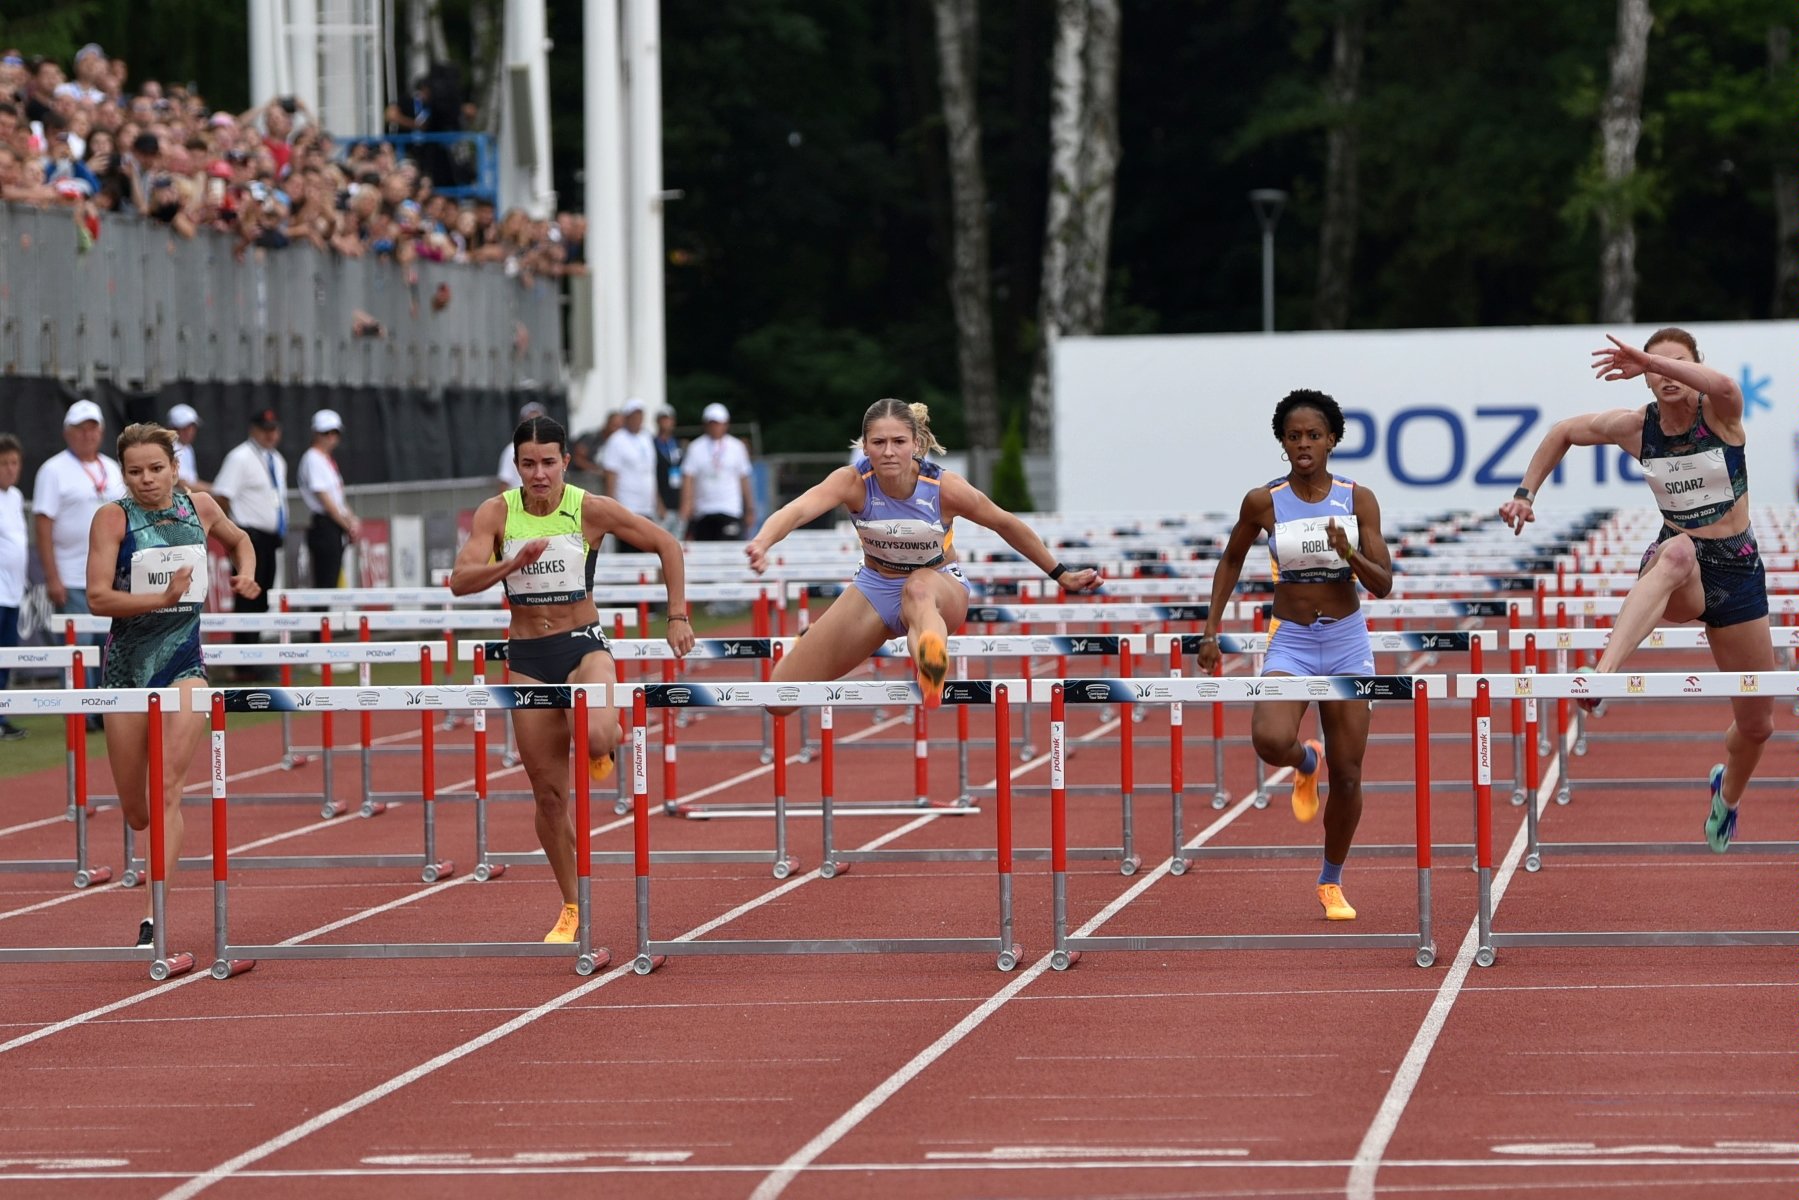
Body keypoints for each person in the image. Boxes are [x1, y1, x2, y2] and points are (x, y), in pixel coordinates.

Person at [1500, 327, 1771, 854]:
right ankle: (1600, 676)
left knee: (1758, 725)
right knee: (1677, 551)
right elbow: (1562, 432)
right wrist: (1524, 492)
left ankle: (1727, 795)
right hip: (1679, 572)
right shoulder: (1634, 428)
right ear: (1645, 379)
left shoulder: (1721, 412)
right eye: (1657, 366)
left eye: (1677, 364)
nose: (1667, 373)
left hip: (1737, 573)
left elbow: (1722, 382)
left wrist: (1653, 358)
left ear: (1691, 372)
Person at [449, 414, 692, 943]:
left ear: (565, 461)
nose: (539, 474)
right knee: (550, 797)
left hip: (583, 648)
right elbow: (460, 581)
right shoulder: (497, 513)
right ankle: (572, 904)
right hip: (527, 657)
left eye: (549, 463)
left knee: (601, 734)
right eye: (528, 464)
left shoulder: (589, 508)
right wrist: (509, 563)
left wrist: (677, 616)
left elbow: (668, 545)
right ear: (516, 466)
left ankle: (600, 741)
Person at [746, 399, 1101, 710]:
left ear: (915, 444)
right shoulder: (852, 481)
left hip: (939, 585)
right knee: (781, 697)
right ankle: (912, 652)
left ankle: (930, 666)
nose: (888, 451)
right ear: (865, 447)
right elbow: (797, 510)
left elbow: (1006, 524)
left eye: (898, 442)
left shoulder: (944, 488)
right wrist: (763, 542)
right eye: (879, 442)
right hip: (875, 586)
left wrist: (1060, 573)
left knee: (917, 589)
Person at [1197, 389, 1394, 922]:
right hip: (1294, 639)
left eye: (1314, 435)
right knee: (1269, 739)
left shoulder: (1358, 499)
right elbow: (1231, 560)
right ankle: (1304, 761)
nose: (1304, 444)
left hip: (1348, 639)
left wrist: (1348, 552)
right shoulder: (1263, 501)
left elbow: (1384, 585)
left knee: (1349, 774)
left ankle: (1331, 880)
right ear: (1282, 443)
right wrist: (1211, 629)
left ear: (1333, 440)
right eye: (1294, 436)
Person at [87, 422, 258, 945]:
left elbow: (241, 537)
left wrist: (246, 572)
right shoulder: (112, 518)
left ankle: (152, 913)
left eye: (156, 469)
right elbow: (97, 598)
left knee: (168, 789)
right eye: (135, 471)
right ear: (123, 473)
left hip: (185, 664)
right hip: (126, 671)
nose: (146, 480)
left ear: (175, 468)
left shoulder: (200, 507)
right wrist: (159, 600)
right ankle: (146, 855)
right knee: (137, 812)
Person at [33, 399, 125, 713]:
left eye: (92, 428)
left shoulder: (112, 469)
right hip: (71, 576)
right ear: (67, 433)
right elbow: (43, 524)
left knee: (107, 646)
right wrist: (52, 576)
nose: (87, 434)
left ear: (100, 432)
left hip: (110, 577)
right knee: (77, 648)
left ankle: (105, 711)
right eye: (80, 429)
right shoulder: (54, 470)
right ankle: (79, 712)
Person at [211, 409, 287, 661]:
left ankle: (255, 656)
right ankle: (243, 660)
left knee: (261, 598)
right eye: (265, 429)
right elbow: (222, 495)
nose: (270, 435)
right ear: (253, 430)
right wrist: (229, 532)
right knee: (247, 598)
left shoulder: (276, 460)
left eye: (274, 429)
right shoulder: (240, 458)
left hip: (268, 538)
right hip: (248, 537)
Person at [297, 409, 359, 588]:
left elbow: (338, 499)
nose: (331, 437)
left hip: (334, 525)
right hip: (325, 525)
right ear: (316, 433)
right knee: (325, 583)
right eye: (326, 433)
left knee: (332, 581)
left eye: (335, 433)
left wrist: (351, 519)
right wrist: (347, 525)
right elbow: (326, 501)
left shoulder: (326, 460)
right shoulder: (313, 459)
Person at [680, 402, 756, 541]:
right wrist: (686, 504)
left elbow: (744, 479)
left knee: (731, 551)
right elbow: (688, 477)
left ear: (726, 424)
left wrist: (750, 509)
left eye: (718, 423)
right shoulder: (696, 447)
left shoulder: (737, 447)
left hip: (730, 509)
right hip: (703, 511)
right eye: (712, 423)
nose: (715, 427)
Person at [0, 433, 28, 740]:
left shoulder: (17, 497)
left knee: (6, 657)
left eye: (14, 462)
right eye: (4, 463)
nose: (11, 469)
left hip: (12, 594)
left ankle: (2, 716)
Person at [599, 398, 661, 531]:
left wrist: (657, 501)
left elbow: (650, 472)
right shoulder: (616, 440)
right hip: (627, 506)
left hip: (647, 506)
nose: (637, 419)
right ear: (626, 417)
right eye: (634, 415)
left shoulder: (646, 437)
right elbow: (610, 475)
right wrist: (611, 508)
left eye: (640, 415)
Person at [496, 399, 548, 492]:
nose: (535, 425)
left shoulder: (550, 449)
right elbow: (504, 485)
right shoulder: (512, 450)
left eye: (539, 421)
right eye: (530, 421)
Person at [165, 403, 211, 493]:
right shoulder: (169, 448)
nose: (189, 432)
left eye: (192, 427)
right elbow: (182, 484)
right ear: (172, 428)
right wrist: (218, 491)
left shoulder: (188, 448)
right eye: (184, 428)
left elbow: (193, 481)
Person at [652, 405, 683, 530]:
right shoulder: (651, 444)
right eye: (663, 419)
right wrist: (658, 502)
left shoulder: (678, 444)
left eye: (669, 419)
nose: (666, 422)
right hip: (660, 505)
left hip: (677, 503)